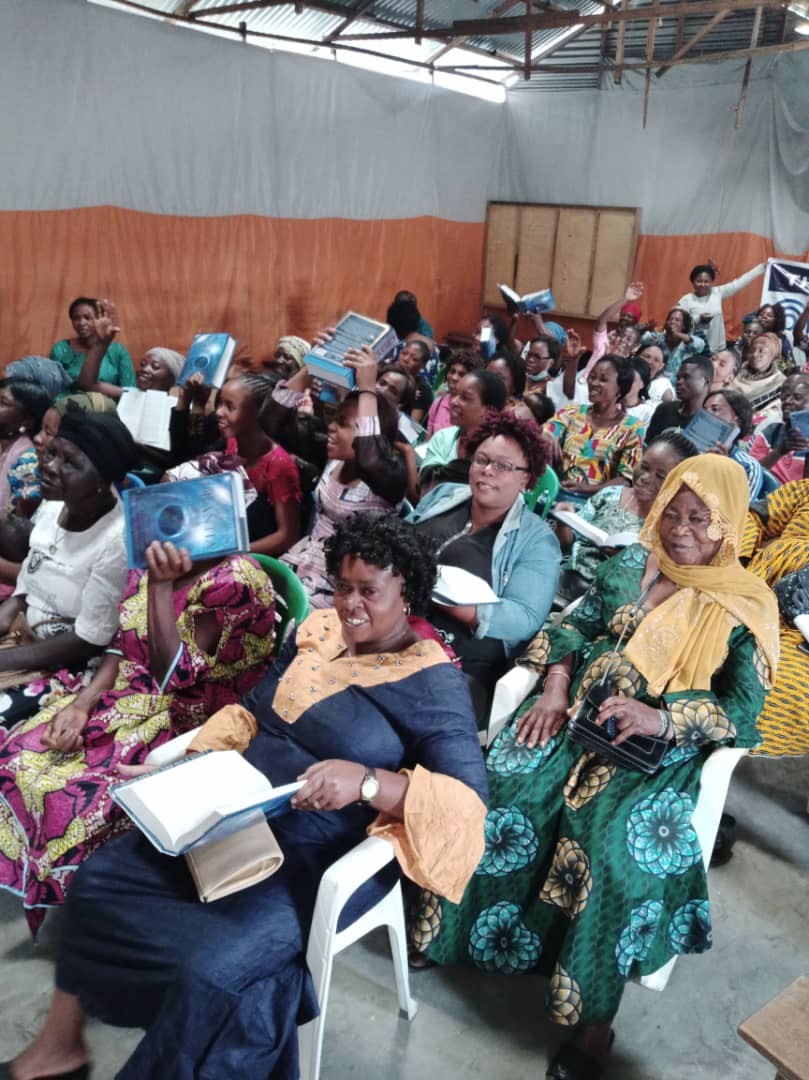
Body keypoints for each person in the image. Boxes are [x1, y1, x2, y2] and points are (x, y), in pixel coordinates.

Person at [4, 513, 488, 1080]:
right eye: (342, 587)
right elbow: (251, 714)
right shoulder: (321, 634)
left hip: (317, 854)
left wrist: (367, 781)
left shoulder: (433, 683)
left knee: (213, 970)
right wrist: (180, 767)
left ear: (407, 592)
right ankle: (59, 1048)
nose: (350, 605)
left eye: (369, 591)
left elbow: (466, 805)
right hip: (236, 811)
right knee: (100, 880)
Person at [413, 454, 779, 1080]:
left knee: (612, 853)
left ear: (728, 525)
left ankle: (591, 1026)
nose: (681, 530)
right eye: (673, 513)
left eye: (700, 519)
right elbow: (574, 625)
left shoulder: (745, 604)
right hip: (574, 716)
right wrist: (555, 686)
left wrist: (660, 718)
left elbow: (742, 712)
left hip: (653, 754)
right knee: (497, 786)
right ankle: (453, 931)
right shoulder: (633, 563)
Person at [0, 541, 277, 935]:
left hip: (186, 714)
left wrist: (160, 587)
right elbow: (120, 646)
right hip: (126, 693)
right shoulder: (153, 558)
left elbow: (174, 676)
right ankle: (36, 875)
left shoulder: (234, 581)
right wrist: (82, 705)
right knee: (14, 756)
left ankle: (92, 911)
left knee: (62, 796)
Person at [408, 412, 561, 712]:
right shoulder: (444, 495)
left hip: (459, 659)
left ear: (525, 478)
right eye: (482, 460)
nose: (488, 471)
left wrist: (441, 597)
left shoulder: (538, 541)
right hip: (393, 623)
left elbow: (523, 618)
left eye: (503, 466)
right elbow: (399, 537)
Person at [0, 411, 136, 728]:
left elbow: (88, 639)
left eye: (70, 463)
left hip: (66, 663)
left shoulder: (116, 541)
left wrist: (3, 660)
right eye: (52, 454)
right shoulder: (55, 505)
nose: (49, 466)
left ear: (101, 480)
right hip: (24, 635)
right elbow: (25, 592)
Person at [280, 349, 407, 607]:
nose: (331, 427)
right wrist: (313, 365)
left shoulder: (390, 477)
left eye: (343, 423)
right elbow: (274, 420)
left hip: (345, 585)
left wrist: (368, 388)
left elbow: (368, 458)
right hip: (303, 562)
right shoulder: (335, 457)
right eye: (334, 419)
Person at [554, 431, 698, 600]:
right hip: (565, 582)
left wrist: (624, 562)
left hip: (608, 602)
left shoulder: (668, 527)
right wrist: (564, 522)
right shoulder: (609, 495)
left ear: (677, 484)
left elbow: (652, 585)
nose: (645, 478)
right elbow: (564, 544)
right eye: (644, 467)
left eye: (660, 476)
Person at [170, 373, 302, 557]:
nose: (218, 412)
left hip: (247, 554)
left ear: (258, 414)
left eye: (229, 406)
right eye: (220, 403)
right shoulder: (232, 443)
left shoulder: (279, 464)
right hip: (221, 535)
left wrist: (229, 553)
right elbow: (188, 451)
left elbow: (287, 536)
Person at [742, 480, 809, 756]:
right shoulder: (804, 491)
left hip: (801, 645)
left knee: (776, 690)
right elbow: (753, 516)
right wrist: (740, 558)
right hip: (756, 591)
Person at [544, 356, 645, 503]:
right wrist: (547, 434)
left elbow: (626, 479)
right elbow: (549, 430)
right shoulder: (572, 412)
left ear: (620, 388)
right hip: (557, 494)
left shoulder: (632, 427)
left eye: (603, 380)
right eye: (592, 377)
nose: (593, 383)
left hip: (596, 502)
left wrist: (588, 489)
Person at [419, 370, 507, 482]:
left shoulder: (501, 455)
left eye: (465, 398)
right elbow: (426, 483)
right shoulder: (444, 437)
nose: (454, 402)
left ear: (490, 410)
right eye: (455, 394)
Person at [50, 297, 135, 397]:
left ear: (99, 319)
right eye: (76, 318)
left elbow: (130, 390)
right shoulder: (61, 349)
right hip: (69, 404)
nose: (81, 323)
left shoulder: (118, 351)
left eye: (87, 317)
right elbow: (54, 388)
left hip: (109, 404)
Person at [676, 260, 766, 353]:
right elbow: (677, 322)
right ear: (693, 281)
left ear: (712, 282)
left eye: (706, 281)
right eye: (699, 281)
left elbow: (739, 283)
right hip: (695, 349)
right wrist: (698, 319)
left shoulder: (717, 293)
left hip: (718, 349)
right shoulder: (686, 300)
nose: (703, 285)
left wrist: (761, 268)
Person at [0, 379, 52, 519]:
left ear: (27, 419)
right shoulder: (4, 442)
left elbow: (17, 519)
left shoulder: (28, 459)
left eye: (3, 402)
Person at [748, 373, 809, 484]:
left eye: (797, 397)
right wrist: (779, 451)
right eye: (785, 396)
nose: (787, 401)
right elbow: (751, 473)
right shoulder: (771, 431)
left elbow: (805, 489)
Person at [702, 389, 763, 499]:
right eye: (704, 410)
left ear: (736, 421)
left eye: (715, 409)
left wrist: (723, 470)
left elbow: (739, 508)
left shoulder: (748, 467)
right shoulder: (686, 446)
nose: (706, 414)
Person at [644, 355, 714, 445]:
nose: (679, 382)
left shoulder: (709, 424)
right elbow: (647, 445)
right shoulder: (664, 409)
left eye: (686, 377)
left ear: (706, 382)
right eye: (678, 378)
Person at [729, 332, 785, 425]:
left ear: (773, 356)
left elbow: (774, 414)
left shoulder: (780, 383)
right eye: (752, 350)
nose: (755, 354)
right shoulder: (734, 370)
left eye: (761, 351)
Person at [425, 349, 480, 435]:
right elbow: (428, 438)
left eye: (461, 374)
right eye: (452, 371)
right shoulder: (438, 403)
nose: (454, 377)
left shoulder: (471, 411)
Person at [396, 338, 434, 422]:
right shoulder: (387, 374)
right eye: (404, 353)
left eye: (414, 359)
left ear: (423, 365)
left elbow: (412, 424)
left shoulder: (422, 389)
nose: (405, 359)